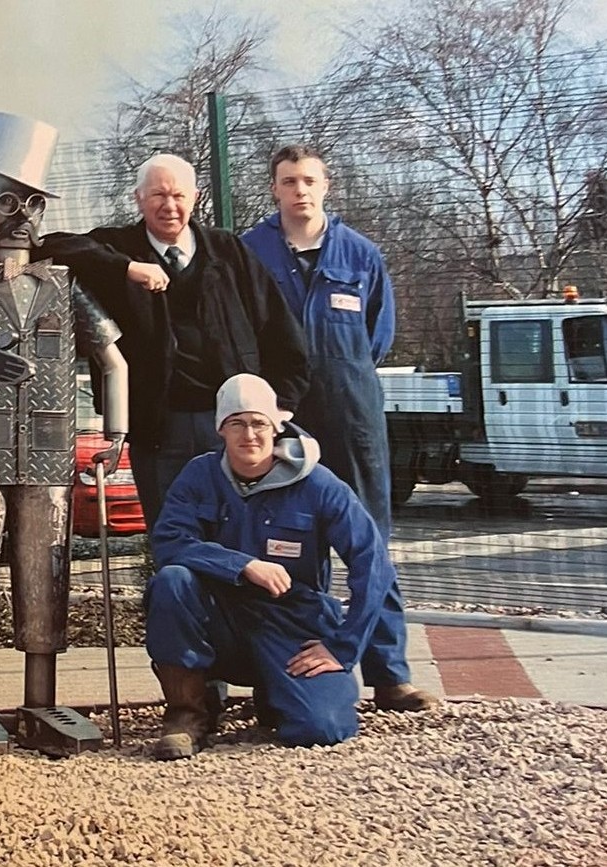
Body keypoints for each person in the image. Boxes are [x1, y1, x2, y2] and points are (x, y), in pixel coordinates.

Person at [0, 112, 129, 759]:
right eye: (6, 198)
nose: (19, 214)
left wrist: (115, 429)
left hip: (46, 456)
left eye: (30, 201)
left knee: (47, 572)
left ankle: (42, 697)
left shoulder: (64, 287)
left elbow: (112, 356)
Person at [240, 144, 436, 713]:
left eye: (308, 180)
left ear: (325, 187)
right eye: (287, 181)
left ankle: (389, 673)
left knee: (368, 540)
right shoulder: (251, 253)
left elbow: (378, 336)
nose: (299, 190)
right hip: (279, 417)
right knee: (284, 541)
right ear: (274, 189)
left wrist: (338, 376)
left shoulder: (361, 254)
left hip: (352, 416)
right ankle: (286, 673)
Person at [43, 154, 309, 530]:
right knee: (171, 532)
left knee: (236, 532)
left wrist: (281, 405)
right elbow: (47, 247)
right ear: (138, 198)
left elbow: (282, 333)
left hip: (227, 422)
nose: (170, 206)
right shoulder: (119, 247)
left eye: (179, 195)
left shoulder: (228, 252)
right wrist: (127, 268)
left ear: (196, 197)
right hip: (158, 427)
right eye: (158, 195)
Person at [144, 373, 396, 758]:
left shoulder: (319, 484)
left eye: (259, 422)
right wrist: (243, 565)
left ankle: (276, 694)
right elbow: (169, 542)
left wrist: (342, 647)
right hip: (220, 621)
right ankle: (188, 714)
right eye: (236, 423)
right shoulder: (199, 475)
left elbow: (373, 564)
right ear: (220, 430)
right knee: (172, 581)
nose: (249, 434)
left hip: (291, 623)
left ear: (277, 427)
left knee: (322, 728)